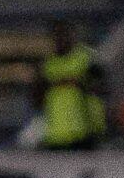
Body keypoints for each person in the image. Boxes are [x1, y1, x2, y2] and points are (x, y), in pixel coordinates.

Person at [36, 19, 107, 151]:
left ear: (72, 35)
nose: (61, 39)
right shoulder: (47, 65)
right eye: (57, 35)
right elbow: (37, 98)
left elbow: (101, 88)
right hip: (57, 135)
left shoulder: (86, 59)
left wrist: (81, 84)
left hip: (85, 132)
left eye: (65, 34)